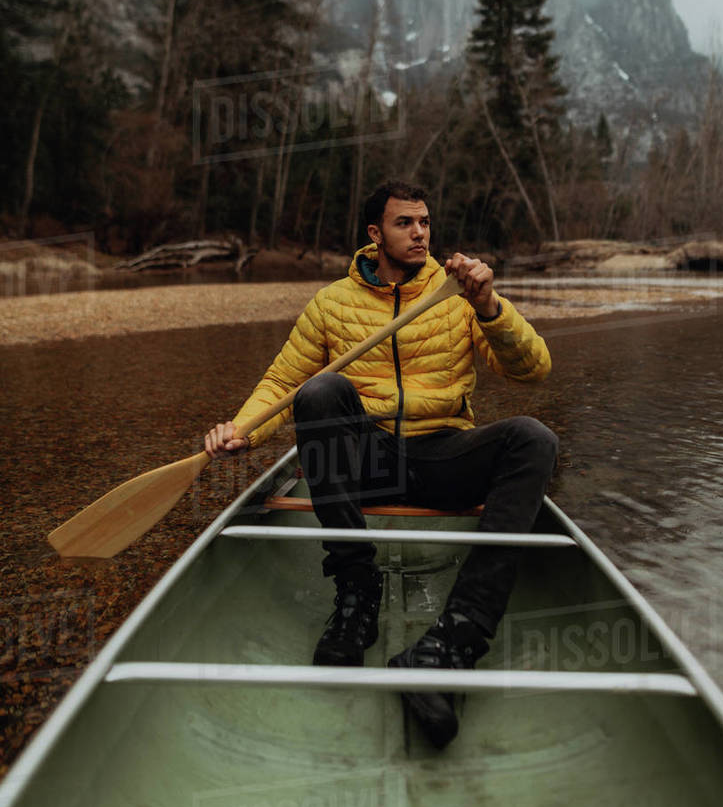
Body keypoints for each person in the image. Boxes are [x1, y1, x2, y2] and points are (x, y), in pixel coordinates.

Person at [205, 180, 557, 748]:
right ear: (375, 233)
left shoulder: (459, 293)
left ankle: (451, 644)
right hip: (367, 463)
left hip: (444, 451)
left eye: (424, 222)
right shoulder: (331, 305)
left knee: (533, 439)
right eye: (404, 223)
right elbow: (282, 383)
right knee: (319, 392)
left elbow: (534, 370)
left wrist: (490, 306)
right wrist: (240, 430)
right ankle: (356, 593)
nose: (419, 233)